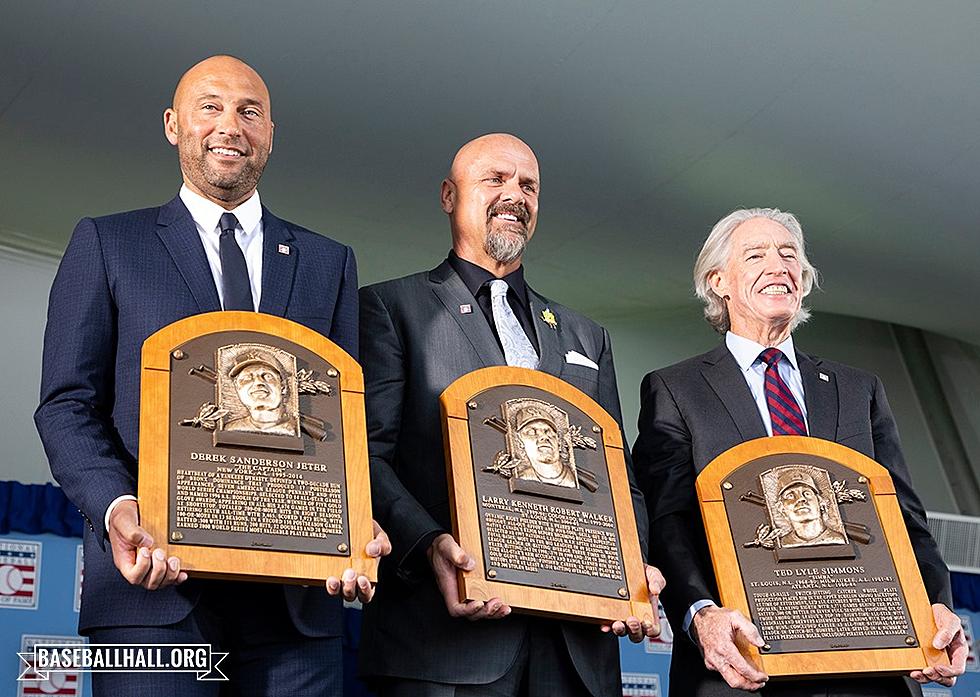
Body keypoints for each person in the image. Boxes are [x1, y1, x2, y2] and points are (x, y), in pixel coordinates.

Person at [34, 55, 389, 696]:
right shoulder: (109, 243)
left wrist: (355, 518)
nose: (231, 124)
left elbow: (342, 422)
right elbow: (66, 403)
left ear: (270, 133)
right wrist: (119, 508)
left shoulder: (328, 262)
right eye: (210, 106)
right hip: (152, 595)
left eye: (249, 111)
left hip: (296, 606)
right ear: (174, 125)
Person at [358, 133, 665, 697]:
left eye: (529, 185)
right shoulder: (391, 308)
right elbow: (367, 456)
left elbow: (619, 477)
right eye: (494, 179)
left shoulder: (584, 336)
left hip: (577, 651)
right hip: (446, 645)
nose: (514, 194)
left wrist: (633, 566)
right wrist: (427, 543)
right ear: (450, 196)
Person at [632, 207, 967, 696]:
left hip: (870, 667)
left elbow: (903, 516)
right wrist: (701, 614)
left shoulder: (859, 390)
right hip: (744, 664)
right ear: (718, 281)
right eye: (756, 255)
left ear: (804, 282)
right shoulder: (676, 388)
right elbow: (667, 519)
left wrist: (934, 603)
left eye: (789, 255)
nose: (778, 266)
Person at [224, 350, 296, 435]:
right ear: (237, 388)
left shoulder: (293, 427)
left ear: (283, 387)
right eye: (247, 378)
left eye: (267, 376)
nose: (258, 382)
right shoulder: (231, 428)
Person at [773, 470, 846, 548]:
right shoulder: (784, 543)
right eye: (790, 496)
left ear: (820, 502)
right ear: (781, 508)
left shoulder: (837, 539)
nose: (800, 499)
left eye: (807, 493)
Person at [513, 408, 577, 488]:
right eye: (532, 432)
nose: (544, 436)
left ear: (559, 442)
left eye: (548, 431)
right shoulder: (523, 477)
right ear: (520, 442)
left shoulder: (572, 479)